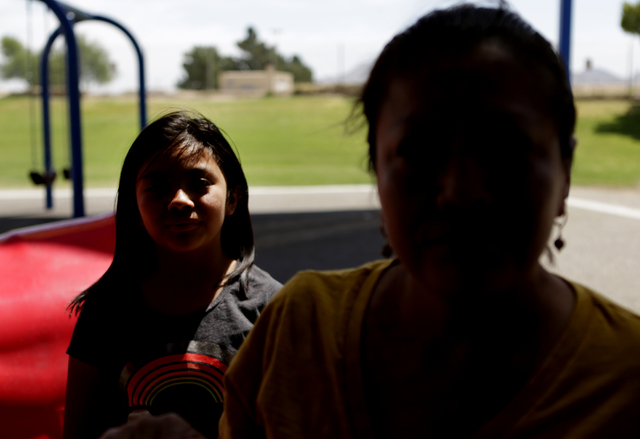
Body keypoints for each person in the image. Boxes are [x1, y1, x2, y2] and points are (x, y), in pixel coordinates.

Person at [94, 3, 640, 439]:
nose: (461, 192)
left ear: (565, 172)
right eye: (420, 153)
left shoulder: (625, 376)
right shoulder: (299, 329)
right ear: (377, 170)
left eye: (504, 151)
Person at [62, 111, 282, 439]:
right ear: (134, 207)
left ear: (233, 198)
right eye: (158, 187)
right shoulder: (105, 311)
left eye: (199, 183)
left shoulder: (273, 309)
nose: (179, 200)